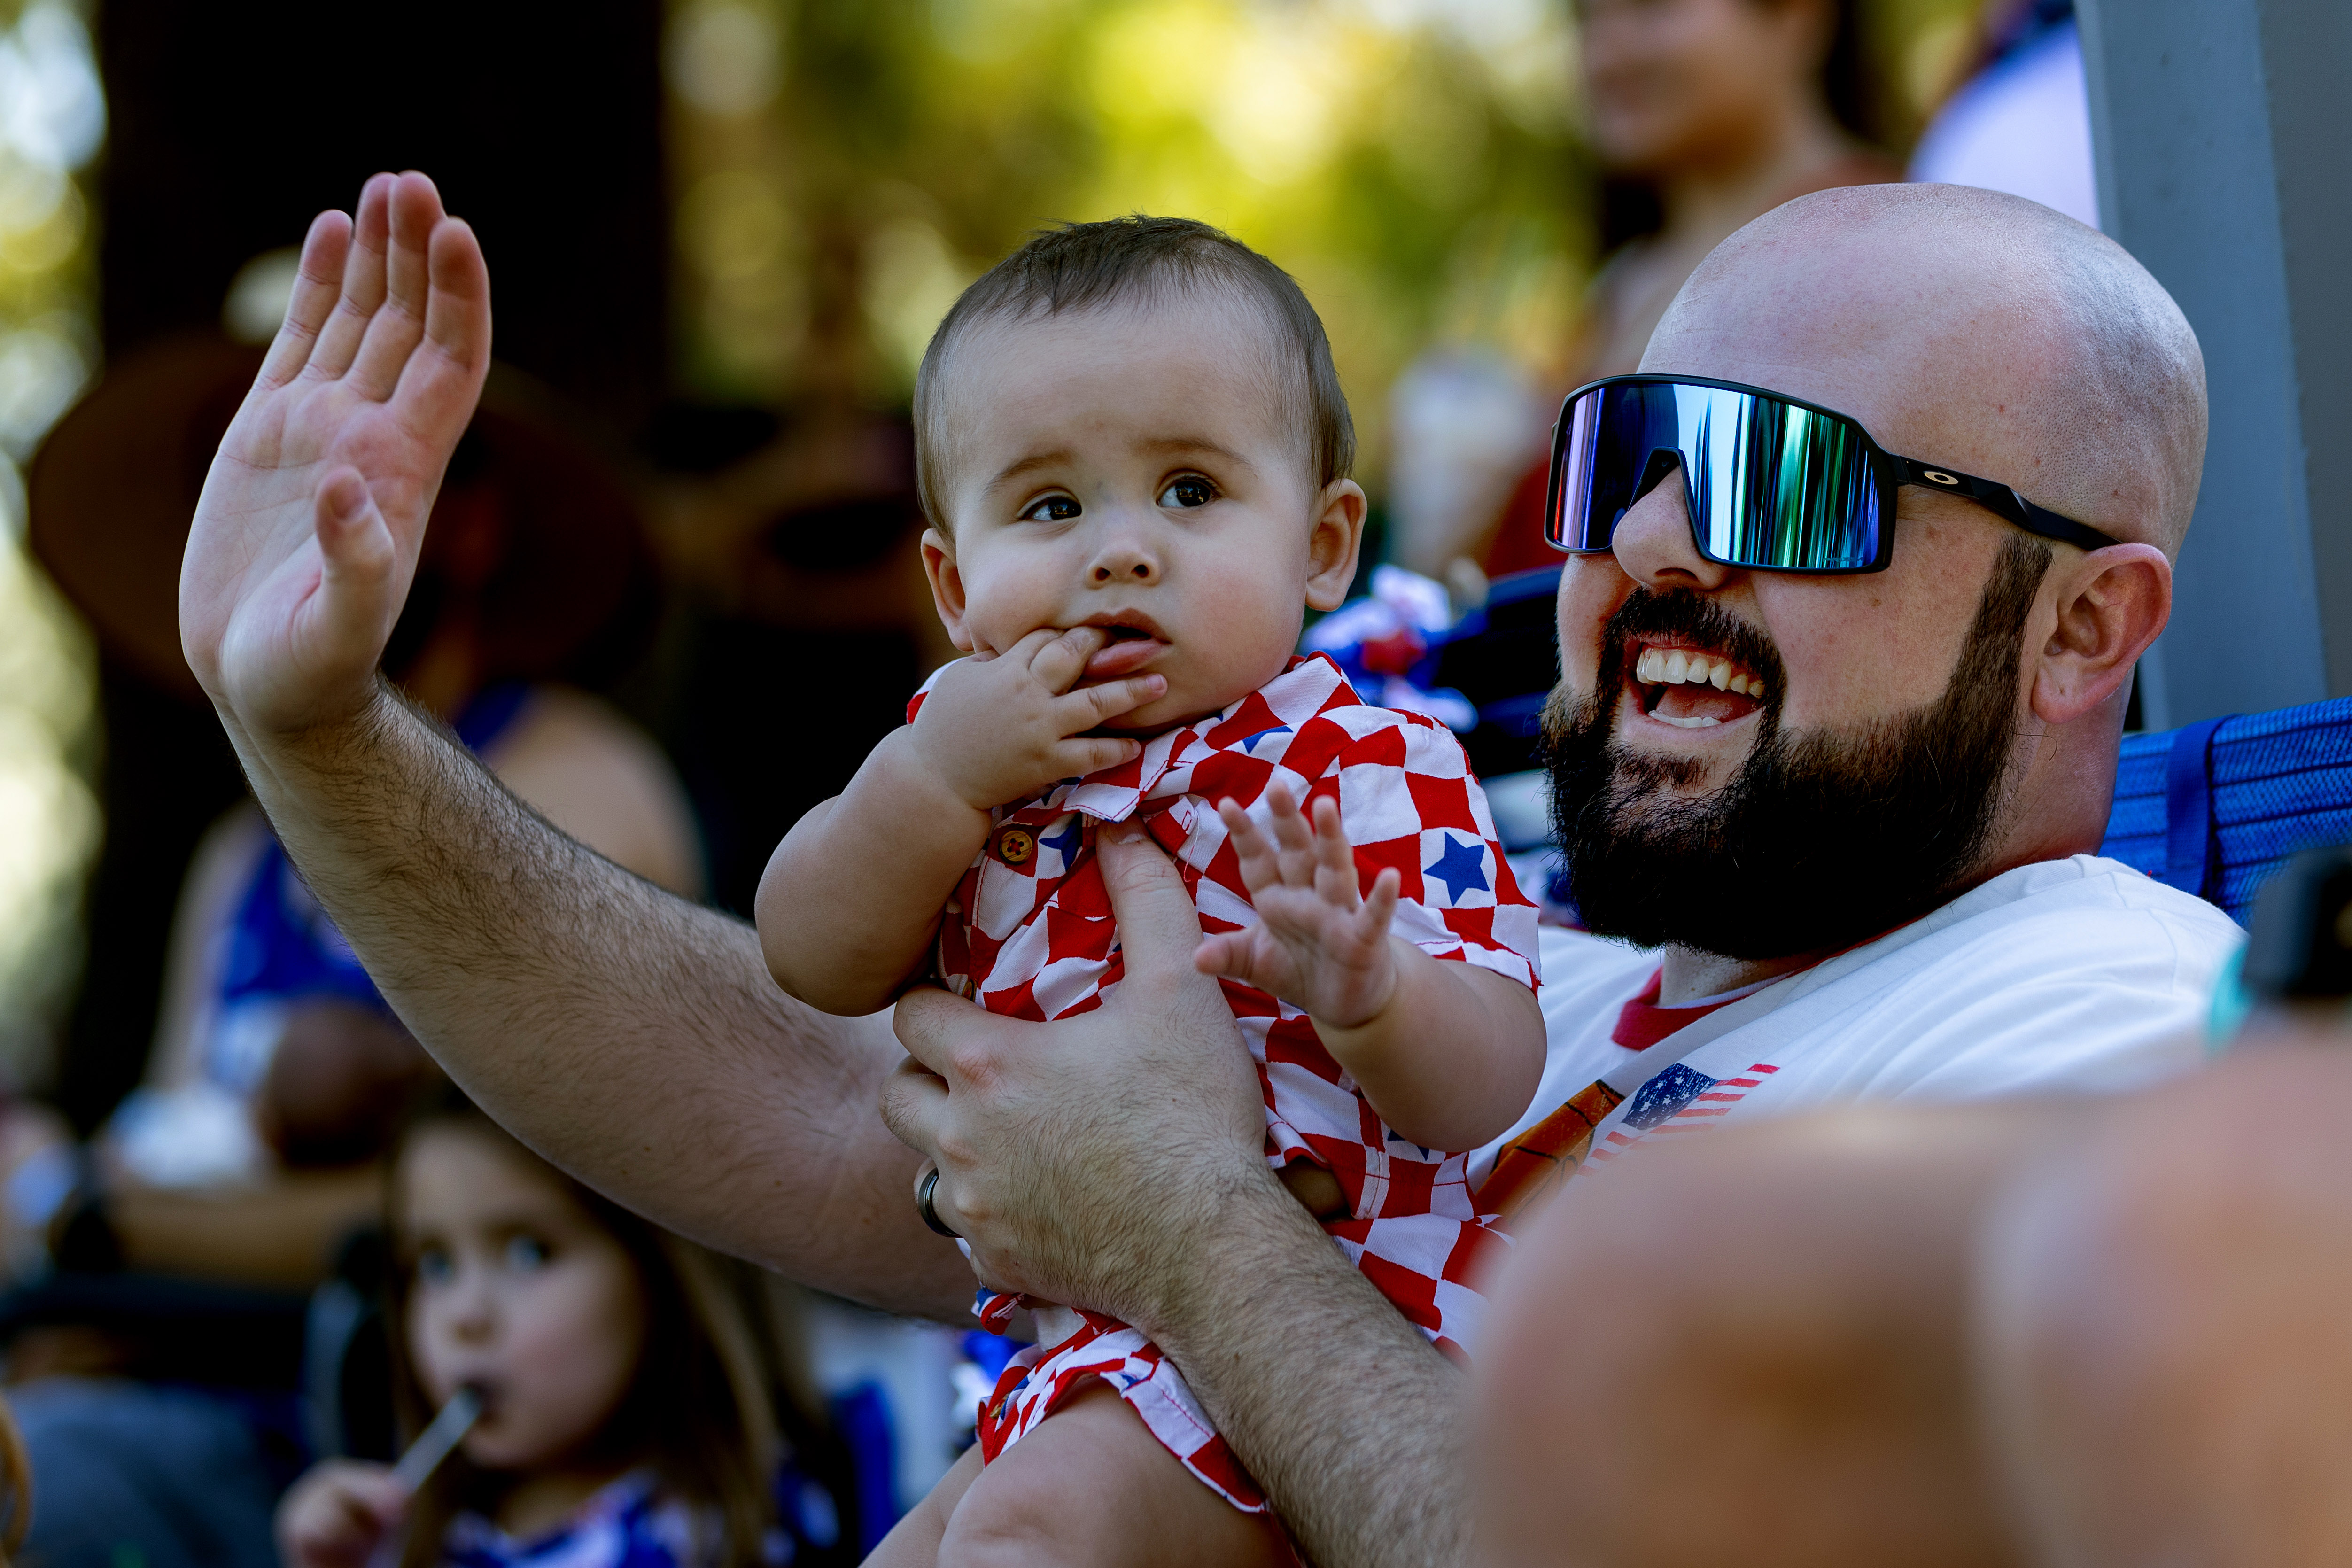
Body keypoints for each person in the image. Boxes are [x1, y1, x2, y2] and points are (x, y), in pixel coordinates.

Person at [177, 171, 2221, 1568]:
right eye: (1629, 461)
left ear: (2081, 627)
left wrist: (1185, 1225)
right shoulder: (1507, 945)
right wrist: (324, 734)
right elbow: (812, 1077)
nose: (1658, 547)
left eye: (1789, 474)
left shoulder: (2119, 1049)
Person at [756, 217, 1545, 1563]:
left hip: (1325, 1331)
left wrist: (1376, 998)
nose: (1120, 552)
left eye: (1188, 490)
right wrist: (928, 784)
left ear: (1321, 545)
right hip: (1078, 1353)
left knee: (1022, 1534)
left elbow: (1492, 1080)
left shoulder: (1360, 762)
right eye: (1050, 508)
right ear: (954, 583)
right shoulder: (964, 757)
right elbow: (807, 953)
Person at [276, 1087, 848, 1568]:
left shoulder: (721, 1532)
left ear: (667, 1268)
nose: (464, 1315)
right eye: (435, 1264)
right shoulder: (424, 1530)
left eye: (530, 1253)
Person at [1470, 0, 1901, 579]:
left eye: (1651, 10)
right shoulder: (1618, 286)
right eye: (1586, 19)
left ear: (1800, 17)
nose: (1606, 53)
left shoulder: (1884, 245)